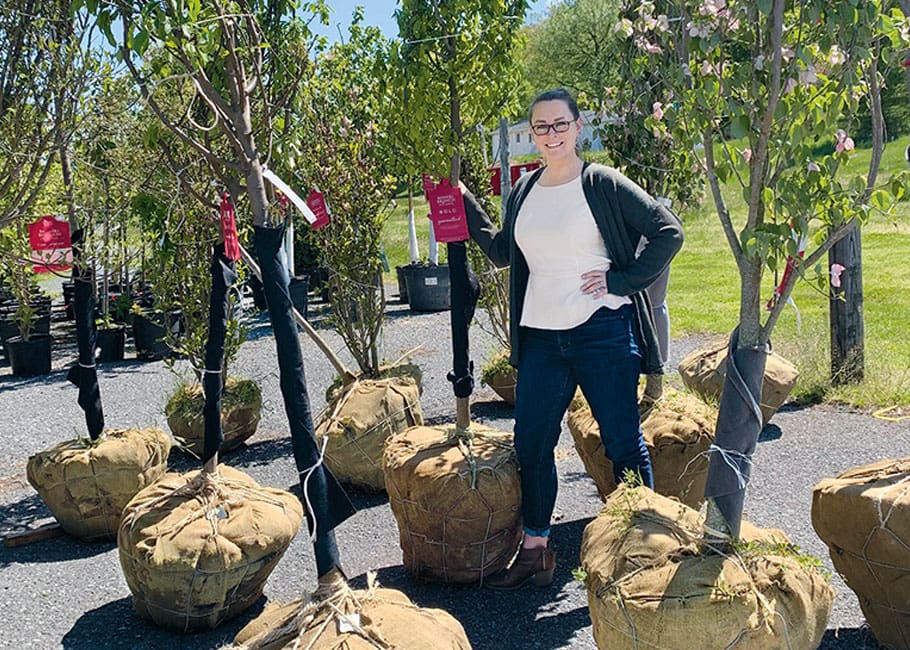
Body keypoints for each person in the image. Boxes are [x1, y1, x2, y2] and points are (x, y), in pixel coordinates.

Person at [461, 88, 683, 590]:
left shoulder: (599, 181)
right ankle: (537, 550)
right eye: (541, 127)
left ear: (577, 127)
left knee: (623, 443)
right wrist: (466, 204)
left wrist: (621, 282)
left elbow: (668, 230)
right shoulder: (524, 190)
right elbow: (502, 252)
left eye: (560, 124)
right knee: (533, 445)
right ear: (531, 135)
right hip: (542, 338)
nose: (551, 134)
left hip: (602, 331)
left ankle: (642, 554)